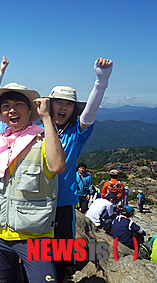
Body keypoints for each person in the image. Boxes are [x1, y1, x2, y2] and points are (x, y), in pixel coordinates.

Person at [0, 83, 66, 283]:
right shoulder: (1, 145)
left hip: (35, 236)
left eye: (18, 105)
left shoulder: (42, 141)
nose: (11, 110)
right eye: (5, 106)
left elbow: (57, 166)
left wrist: (46, 117)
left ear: (30, 109)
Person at [48, 58, 113, 282]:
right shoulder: (37, 129)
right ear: (50, 105)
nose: (63, 107)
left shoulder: (75, 133)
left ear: (74, 109)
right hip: (36, 201)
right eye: (58, 102)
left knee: (58, 253)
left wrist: (101, 81)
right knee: (34, 251)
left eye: (68, 104)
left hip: (63, 202)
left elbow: (91, 113)